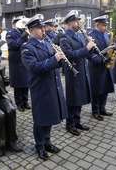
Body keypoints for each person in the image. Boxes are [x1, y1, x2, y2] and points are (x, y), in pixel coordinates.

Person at [21, 14, 67, 160]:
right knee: (41, 119)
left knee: (50, 116)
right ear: (31, 30)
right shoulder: (27, 48)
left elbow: (54, 63)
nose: (43, 30)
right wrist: (54, 59)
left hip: (52, 85)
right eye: (40, 28)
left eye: (43, 27)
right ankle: (39, 146)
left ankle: (47, 142)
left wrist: (60, 59)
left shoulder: (47, 42)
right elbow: (35, 67)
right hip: (40, 88)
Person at [60, 10, 96, 135]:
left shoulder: (79, 35)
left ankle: (77, 121)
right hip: (72, 72)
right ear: (70, 23)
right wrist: (87, 48)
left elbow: (84, 53)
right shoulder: (64, 37)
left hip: (81, 70)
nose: (78, 23)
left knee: (79, 97)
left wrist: (90, 47)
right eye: (76, 21)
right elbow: (70, 55)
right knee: (72, 99)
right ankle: (70, 125)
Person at [88, 15, 114, 120]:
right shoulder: (91, 35)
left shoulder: (106, 35)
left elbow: (107, 47)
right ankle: (95, 111)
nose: (105, 27)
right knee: (96, 90)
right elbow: (89, 54)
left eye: (105, 25)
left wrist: (112, 48)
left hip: (106, 66)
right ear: (97, 25)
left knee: (105, 88)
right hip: (96, 68)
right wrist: (101, 60)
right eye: (103, 25)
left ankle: (102, 109)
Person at [6, 16, 30, 112]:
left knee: (26, 83)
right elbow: (13, 45)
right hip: (16, 62)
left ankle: (25, 101)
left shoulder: (24, 32)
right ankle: (19, 103)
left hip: (24, 60)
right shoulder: (10, 33)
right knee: (18, 84)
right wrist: (23, 36)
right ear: (15, 23)